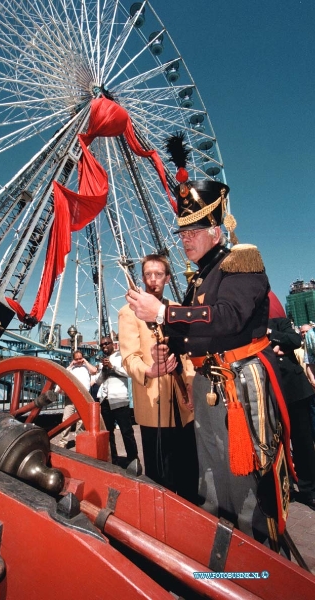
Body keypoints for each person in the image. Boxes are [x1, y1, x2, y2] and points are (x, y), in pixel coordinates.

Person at [125, 141, 294, 550]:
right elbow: (196, 331)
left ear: (217, 229)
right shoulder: (200, 278)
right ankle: (224, 551)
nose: (185, 239)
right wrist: (171, 344)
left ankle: (260, 560)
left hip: (238, 386)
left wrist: (166, 314)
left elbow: (229, 317)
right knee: (213, 477)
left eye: (194, 230)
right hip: (207, 387)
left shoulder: (242, 260)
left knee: (246, 480)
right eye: (182, 231)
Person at [118, 253, 198, 501]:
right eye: (148, 274)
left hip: (183, 404)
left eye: (159, 274)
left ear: (167, 277)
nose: (153, 280)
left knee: (189, 472)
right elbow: (129, 356)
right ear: (142, 278)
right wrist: (149, 371)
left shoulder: (175, 310)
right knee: (160, 477)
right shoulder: (128, 312)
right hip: (154, 405)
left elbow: (188, 355)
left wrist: (191, 385)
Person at [267, 303, 315, 511]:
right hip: (267, 393)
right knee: (274, 444)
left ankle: (309, 490)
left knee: (303, 443)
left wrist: (270, 333)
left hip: (294, 392)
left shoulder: (279, 322)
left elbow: (294, 340)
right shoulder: (245, 327)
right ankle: (282, 489)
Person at [95, 336, 138, 467]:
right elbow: (97, 381)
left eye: (106, 343)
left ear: (113, 344)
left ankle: (133, 460)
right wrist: (103, 370)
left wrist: (113, 367)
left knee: (126, 431)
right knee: (108, 433)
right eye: (102, 345)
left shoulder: (121, 357)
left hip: (119, 399)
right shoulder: (102, 361)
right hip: (105, 400)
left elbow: (128, 373)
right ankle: (113, 459)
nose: (104, 346)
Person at [57, 350, 97, 448]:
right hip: (71, 396)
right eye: (76, 359)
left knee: (81, 420)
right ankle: (63, 442)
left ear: (83, 358)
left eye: (80, 358)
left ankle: (79, 440)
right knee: (66, 419)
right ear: (73, 359)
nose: (78, 361)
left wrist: (86, 362)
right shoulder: (71, 368)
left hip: (83, 395)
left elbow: (94, 371)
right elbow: (64, 374)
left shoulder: (86, 367)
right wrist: (71, 365)